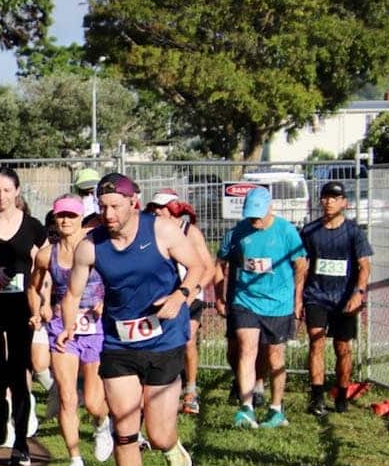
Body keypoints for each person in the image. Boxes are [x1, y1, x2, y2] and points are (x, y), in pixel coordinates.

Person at [60, 174, 204, 466]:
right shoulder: (90, 246)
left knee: (158, 432)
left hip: (163, 340)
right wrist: (68, 325)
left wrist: (180, 295)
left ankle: (170, 446)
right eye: (103, 207)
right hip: (118, 342)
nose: (108, 214)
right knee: (124, 429)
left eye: (115, 206)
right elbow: (74, 293)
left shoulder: (162, 230)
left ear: (133, 203)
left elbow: (200, 266)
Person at [29, 195, 112, 466]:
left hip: (96, 327)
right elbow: (33, 286)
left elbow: (116, 279)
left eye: (72, 216)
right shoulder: (46, 255)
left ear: (80, 218)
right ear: (54, 218)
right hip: (62, 330)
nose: (65, 220)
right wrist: (38, 309)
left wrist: (105, 302)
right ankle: (75, 459)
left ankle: (102, 423)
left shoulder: (97, 248)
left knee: (93, 401)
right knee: (67, 397)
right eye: (61, 215)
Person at [217, 187, 306, 428]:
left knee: (274, 356)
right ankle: (246, 407)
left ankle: (276, 409)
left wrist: (296, 298)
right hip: (245, 300)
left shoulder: (286, 231)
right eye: (250, 215)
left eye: (258, 215)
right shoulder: (237, 232)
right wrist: (220, 295)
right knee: (246, 349)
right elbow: (220, 263)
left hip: (278, 304)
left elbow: (301, 265)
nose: (254, 220)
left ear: (270, 208)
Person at [0, 166, 46, 465]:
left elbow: (45, 263)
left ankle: (20, 443)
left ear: (17, 191)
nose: (0, 196)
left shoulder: (32, 226)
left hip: (21, 305)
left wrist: (42, 300)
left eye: (6, 190)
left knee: (19, 371)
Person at [301, 181, 372, 416]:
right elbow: (302, 265)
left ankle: (342, 394)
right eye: (325, 197)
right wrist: (298, 297)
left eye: (334, 197)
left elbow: (364, 266)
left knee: (342, 347)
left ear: (344, 203)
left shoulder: (353, 232)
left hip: (344, 298)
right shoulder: (310, 231)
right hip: (316, 295)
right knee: (316, 342)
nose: (329, 201)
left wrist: (358, 293)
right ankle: (317, 397)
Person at [145, 189, 213, 415]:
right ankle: (162, 389)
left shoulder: (189, 231)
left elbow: (208, 267)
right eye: (154, 207)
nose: (157, 212)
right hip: (162, 296)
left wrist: (192, 292)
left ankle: (191, 391)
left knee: (188, 340)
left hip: (189, 295)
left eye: (161, 207)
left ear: (173, 209)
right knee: (159, 343)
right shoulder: (150, 231)